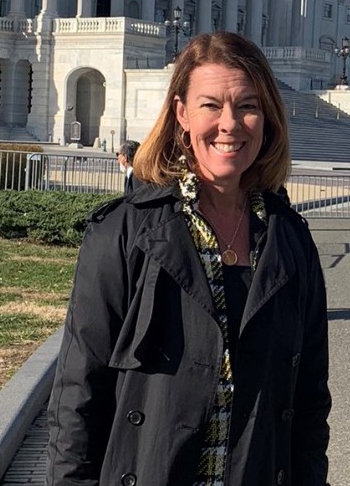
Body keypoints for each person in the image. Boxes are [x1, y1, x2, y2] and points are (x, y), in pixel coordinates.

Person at [47, 32, 331, 486]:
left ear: (268, 117)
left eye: (247, 106)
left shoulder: (290, 239)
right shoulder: (126, 232)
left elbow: (311, 398)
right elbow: (79, 390)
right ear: (181, 113)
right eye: (211, 105)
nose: (230, 124)